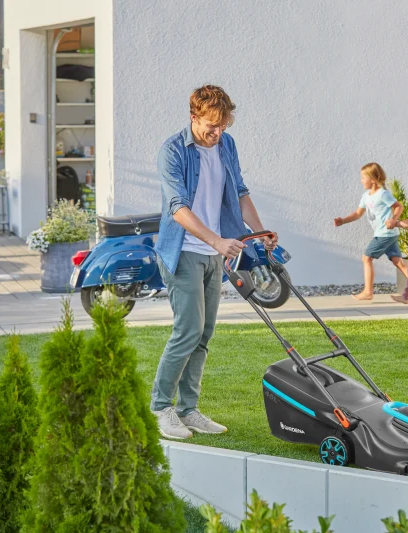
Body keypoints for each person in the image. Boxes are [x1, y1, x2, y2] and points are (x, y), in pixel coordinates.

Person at [151, 85, 276, 440]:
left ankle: (188, 410)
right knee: (188, 330)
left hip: (213, 256)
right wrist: (216, 241)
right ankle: (161, 407)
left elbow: (240, 192)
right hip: (184, 251)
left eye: (223, 125)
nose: (217, 132)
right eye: (211, 125)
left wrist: (259, 232)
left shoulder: (226, 145)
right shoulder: (173, 151)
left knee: (204, 334)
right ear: (194, 117)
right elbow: (177, 208)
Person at [333, 163, 408, 300]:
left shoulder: (382, 194)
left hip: (385, 233)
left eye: (363, 178)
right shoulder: (366, 196)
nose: (361, 180)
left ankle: (368, 291)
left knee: (366, 258)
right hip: (388, 234)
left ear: (373, 179)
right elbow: (357, 213)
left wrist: (393, 219)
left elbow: (398, 207)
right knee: (398, 261)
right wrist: (343, 220)